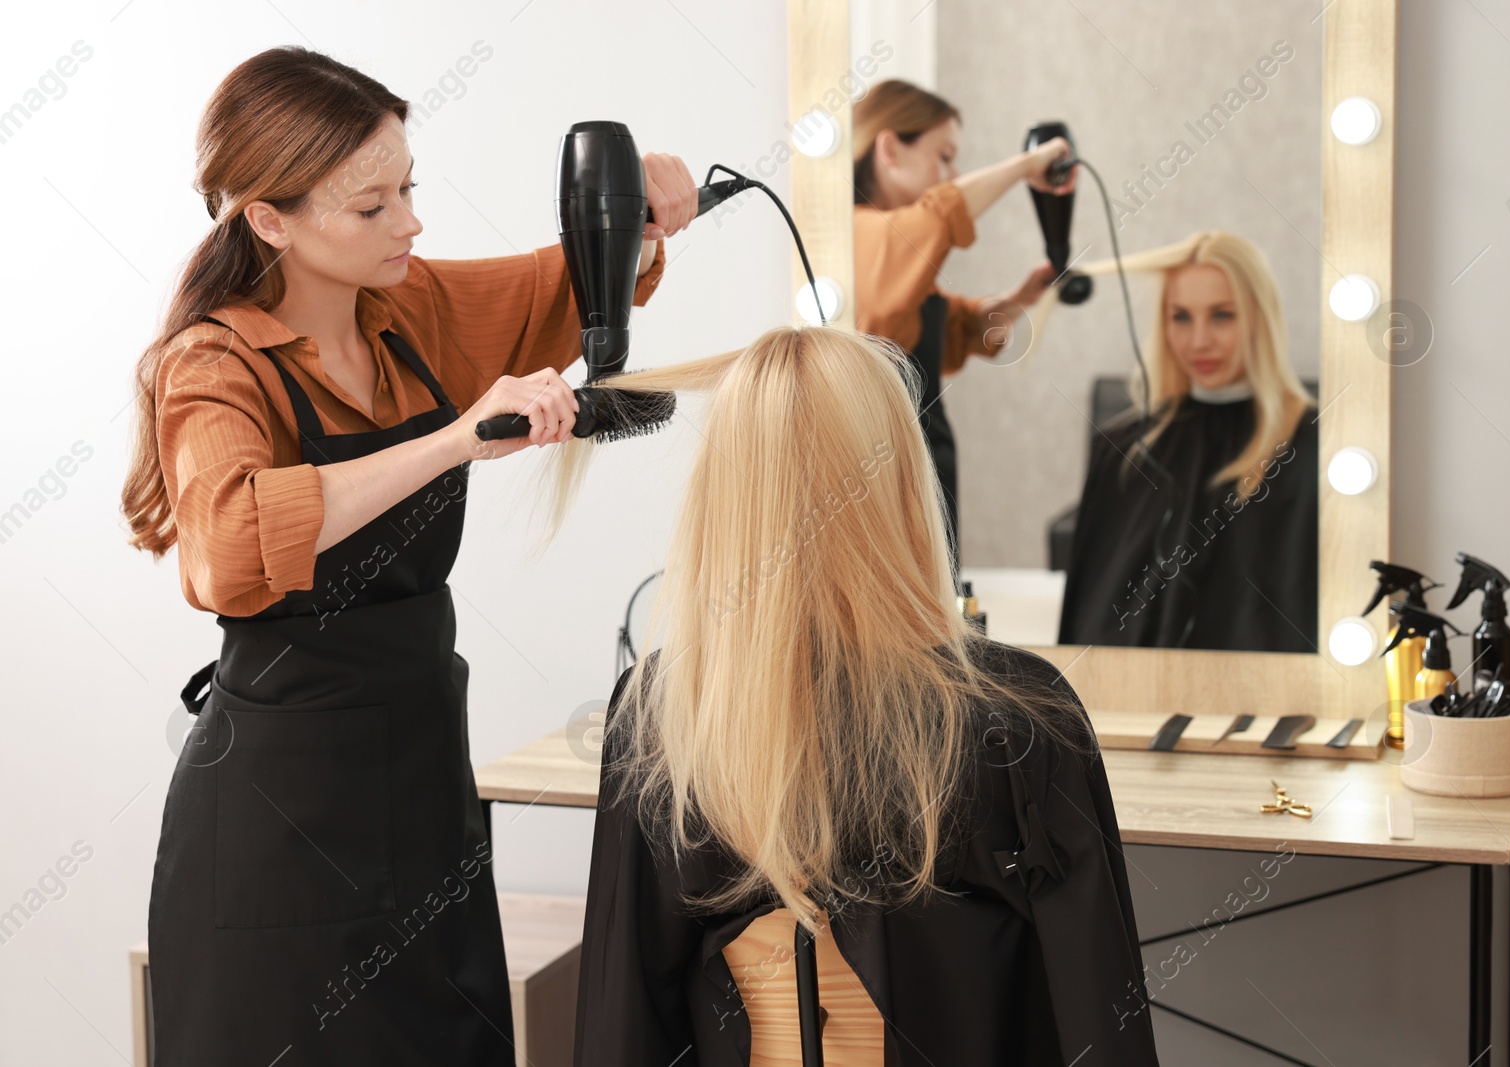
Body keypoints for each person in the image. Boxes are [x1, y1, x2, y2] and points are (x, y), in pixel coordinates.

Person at [119, 46, 697, 1065]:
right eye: (371, 205)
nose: (411, 223)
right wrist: (450, 439)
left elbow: (556, 286)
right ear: (269, 218)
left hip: (425, 793)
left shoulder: (409, 310)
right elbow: (228, 544)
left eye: (408, 189)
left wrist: (642, 198)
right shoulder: (212, 362)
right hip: (276, 823)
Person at [543, 326, 1160, 1065]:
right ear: (899, 475)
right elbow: (1098, 1006)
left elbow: (625, 1008)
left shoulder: (664, 710)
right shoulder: (1019, 713)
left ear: (725, 491)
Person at [852, 78, 1077, 570]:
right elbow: (938, 217)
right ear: (890, 148)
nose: (951, 174)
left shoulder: (897, 255)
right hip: (880, 478)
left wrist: (1022, 297)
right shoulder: (857, 236)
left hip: (927, 465)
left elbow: (956, 332)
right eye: (945, 156)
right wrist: (1023, 168)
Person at [1056, 230, 1318, 651]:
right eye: (1181, 317)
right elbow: (1088, 617)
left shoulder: (1311, 446)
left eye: (1222, 315)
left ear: (1259, 318)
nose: (1198, 341)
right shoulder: (1123, 450)